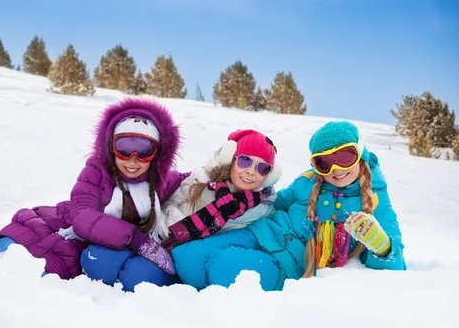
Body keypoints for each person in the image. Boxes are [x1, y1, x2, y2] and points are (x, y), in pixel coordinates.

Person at [0, 98, 189, 292]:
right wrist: (134, 238)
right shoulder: (96, 173)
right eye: (124, 148)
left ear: (157, 154)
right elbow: (83, 217)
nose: (132, 160)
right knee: (0, 262)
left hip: (87, 251)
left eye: (143, 151)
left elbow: (195, 178)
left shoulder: (157, 181)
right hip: (63, 227)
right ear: (111, 147)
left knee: (39, 274)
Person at [170, 121, 406, 291]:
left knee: (224, 264)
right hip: (261, 233)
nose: (336, 169)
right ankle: (205, 286)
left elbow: (396, 266)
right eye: (325, 163)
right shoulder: (308, 181)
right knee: (185, 256)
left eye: (345, 158)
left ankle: (217, 295)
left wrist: (381, 246)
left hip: (290, 264)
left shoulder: (375, 198)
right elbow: (274, 202)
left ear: (360, 153)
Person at [158, 129, 281, 245]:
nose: (251, 172)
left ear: (269, 176)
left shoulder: (262, 208)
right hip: (159, 236)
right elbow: (168, 204)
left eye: (262, 168)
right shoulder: (202, 179)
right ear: (230, 159)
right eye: (245, 161)